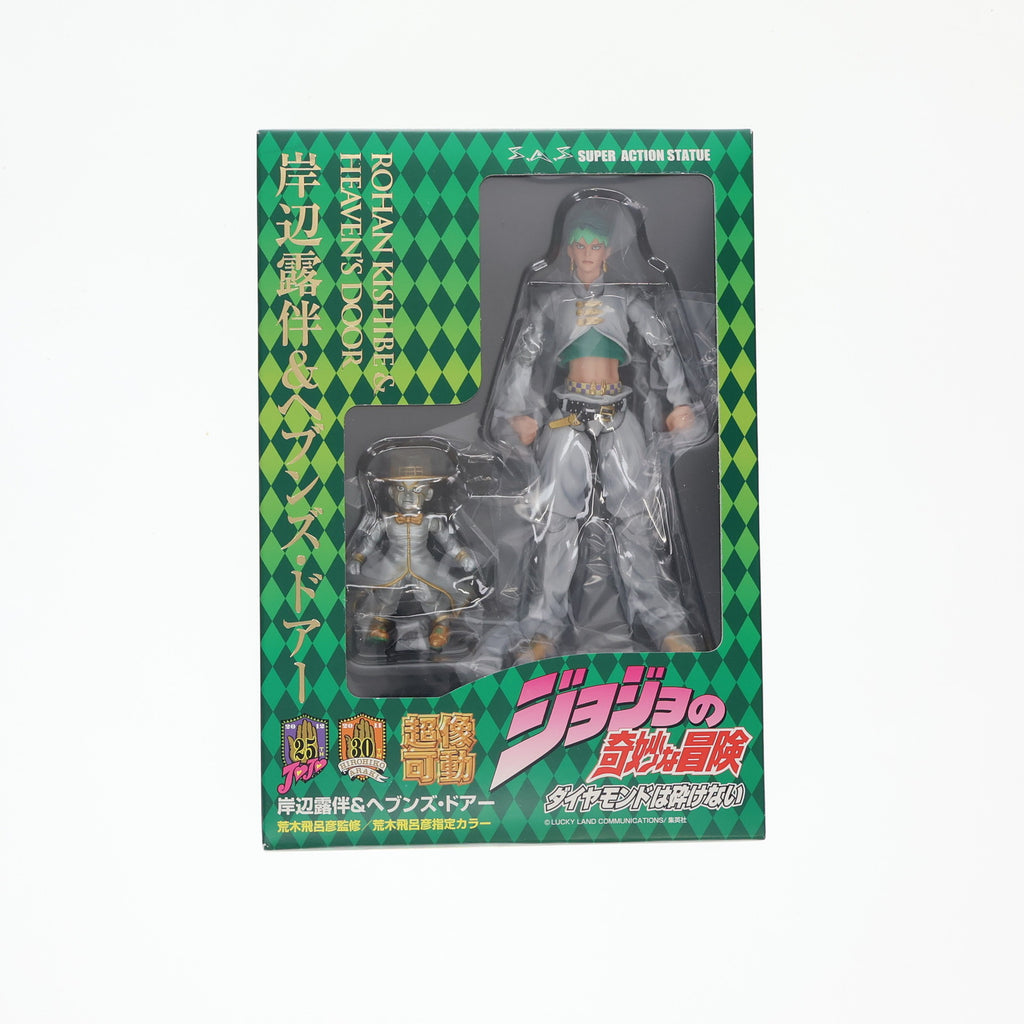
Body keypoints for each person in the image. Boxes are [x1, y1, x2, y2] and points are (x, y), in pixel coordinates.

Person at [488, 195, 706, 659]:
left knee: (637, 522)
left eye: (595, 246)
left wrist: (681, 402)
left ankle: (665, 624)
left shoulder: (627, 299)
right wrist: (512, 413)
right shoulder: (552, 301)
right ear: (569, 250)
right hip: (566, 416)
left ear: (606, 252)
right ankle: (544, 629)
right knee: (556, 525)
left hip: (619, 413)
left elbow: (664, 347)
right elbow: (525, 356)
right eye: (580, 245)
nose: (587, 255)